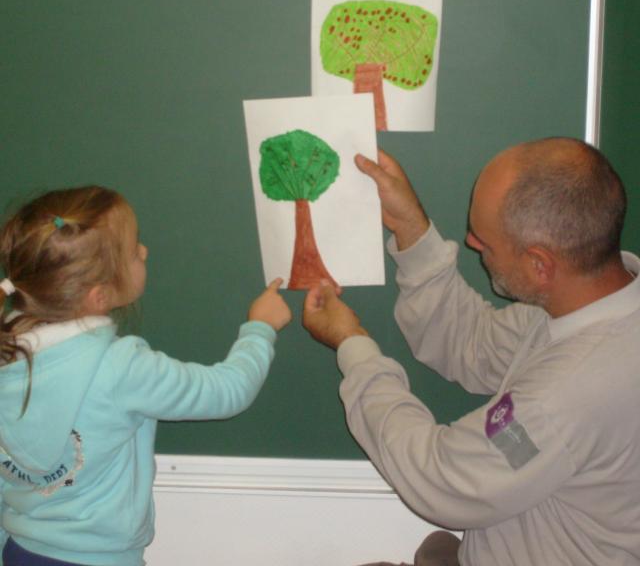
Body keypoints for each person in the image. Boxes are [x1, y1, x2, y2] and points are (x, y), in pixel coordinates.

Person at [303, 137, 640, 566]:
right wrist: (412, 230)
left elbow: (441, 479)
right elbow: (473, 343)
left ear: (540, 265)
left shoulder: (567, 395)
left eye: (484, 242)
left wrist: (351, 344)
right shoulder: (591, 303)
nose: (471, 242)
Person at [0, 186, 291, 566]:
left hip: (21, 551)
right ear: (99, 296)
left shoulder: (8, 349)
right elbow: (227, 390)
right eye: (135, 248)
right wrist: (260, 328)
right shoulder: (120, 367)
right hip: (99, 558)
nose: (145, 252)